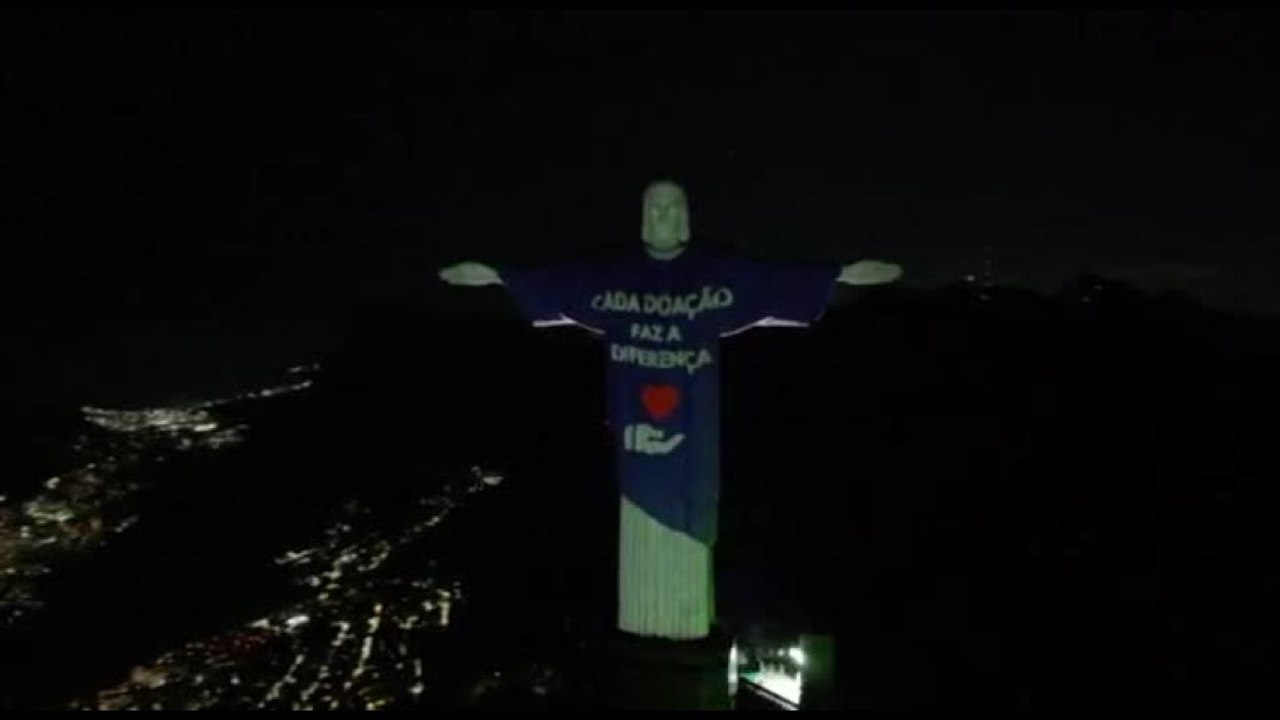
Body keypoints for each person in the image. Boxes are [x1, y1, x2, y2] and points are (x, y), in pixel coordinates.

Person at [440, 180, 902, 641]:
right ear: (643, 217)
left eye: (673, 207)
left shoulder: (715, 273)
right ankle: (648, 635)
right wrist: (496, 275)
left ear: (687, 216)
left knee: (692, 515)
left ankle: (684, 631)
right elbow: (560, 284)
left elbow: (773, 280)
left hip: (693, 433)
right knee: (642, 527)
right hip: (636, 444)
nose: (663, 217)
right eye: (654, 208)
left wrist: (842, 273)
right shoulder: (613, 275)